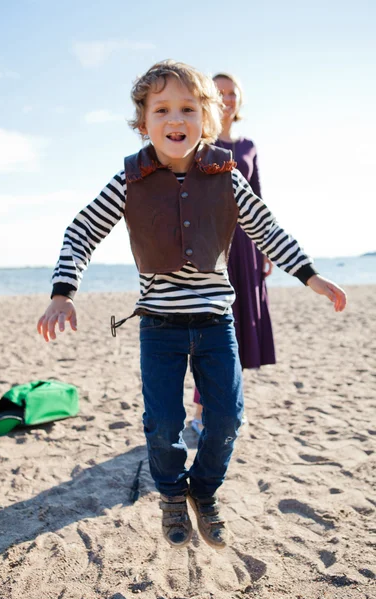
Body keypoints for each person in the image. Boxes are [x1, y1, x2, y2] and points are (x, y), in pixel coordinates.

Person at [37, 60, 347, 550]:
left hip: (215, 324)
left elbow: (268, 230)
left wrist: (310, 275)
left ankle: (203, 492)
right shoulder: (130, 180)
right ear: (143, 122)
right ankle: (171, 496)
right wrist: (62, 293)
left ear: (209, 117)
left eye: (188, 108)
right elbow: (81, 231)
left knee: (225, 420)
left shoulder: (227, 176)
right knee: (163, 425)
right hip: (159, 327)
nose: (175, 119)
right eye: (162, 109)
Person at [191, 72, 275, 435]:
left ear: (240, 98)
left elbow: (258, 200)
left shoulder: (249, 145)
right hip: (214, 244)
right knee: (213, 325)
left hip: (247, 244)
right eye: (218, 92)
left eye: (231, 92)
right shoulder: (200, 141)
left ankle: (227, 407)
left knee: (239, 329)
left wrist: (267, 246)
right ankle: (198, 414)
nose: (225, 98)